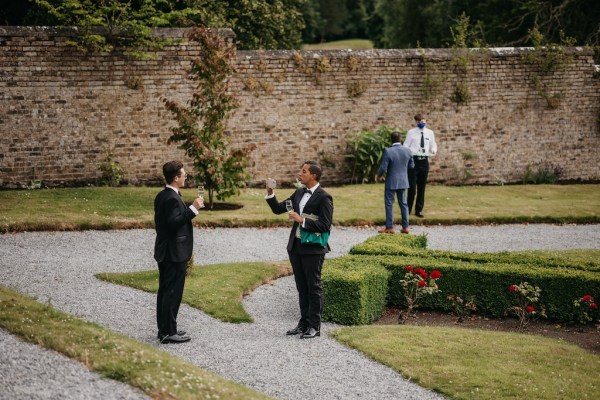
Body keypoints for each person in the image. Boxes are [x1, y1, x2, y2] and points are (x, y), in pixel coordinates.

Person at [265, 161, 333, 339]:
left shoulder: (324, 197)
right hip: (296, 247)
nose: (300, 173)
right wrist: (270, 193)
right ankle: (303, 324)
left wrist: (301, 220)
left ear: (314, 176)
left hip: (313, 250)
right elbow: (278, 209)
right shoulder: (299, 192)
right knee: (301, 287)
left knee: (313, 287)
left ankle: (314, 326)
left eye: (304, 171)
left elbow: (325, 225)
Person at [154, 161, 204, 343]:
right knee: (172, 292)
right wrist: (193, 209)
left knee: (166, 291)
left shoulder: (163, 195)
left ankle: (166, 329)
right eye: (183, 175)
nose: (185, 177)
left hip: (166, 251)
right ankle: (168, 332)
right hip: (173, 253)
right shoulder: (171, 198)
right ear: (176, 178)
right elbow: (173, 223)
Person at [377, 131, 414, 234]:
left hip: (391, 181)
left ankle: (389, 227)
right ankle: (405, 227)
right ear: (400, 139)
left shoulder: (388, 151)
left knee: (389, 204)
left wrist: (379, 176)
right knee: (404, 204)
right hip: (403, 181)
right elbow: (412, 166)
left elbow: (383, 167)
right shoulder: (408, 151)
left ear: (391, 139)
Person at [404, 113, 437, 217]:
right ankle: (408, 210)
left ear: (425, 121)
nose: (421, 123)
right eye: (418, 122)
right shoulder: (411, 133)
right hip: (414, 161)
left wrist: (433, 150)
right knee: (412, 188)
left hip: (424, 161)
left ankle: (419, 210)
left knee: (422, 188)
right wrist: (411, 152)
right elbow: (405, 146)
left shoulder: (430, 133)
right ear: (416, 122)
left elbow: (433, 144)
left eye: (422, 122)